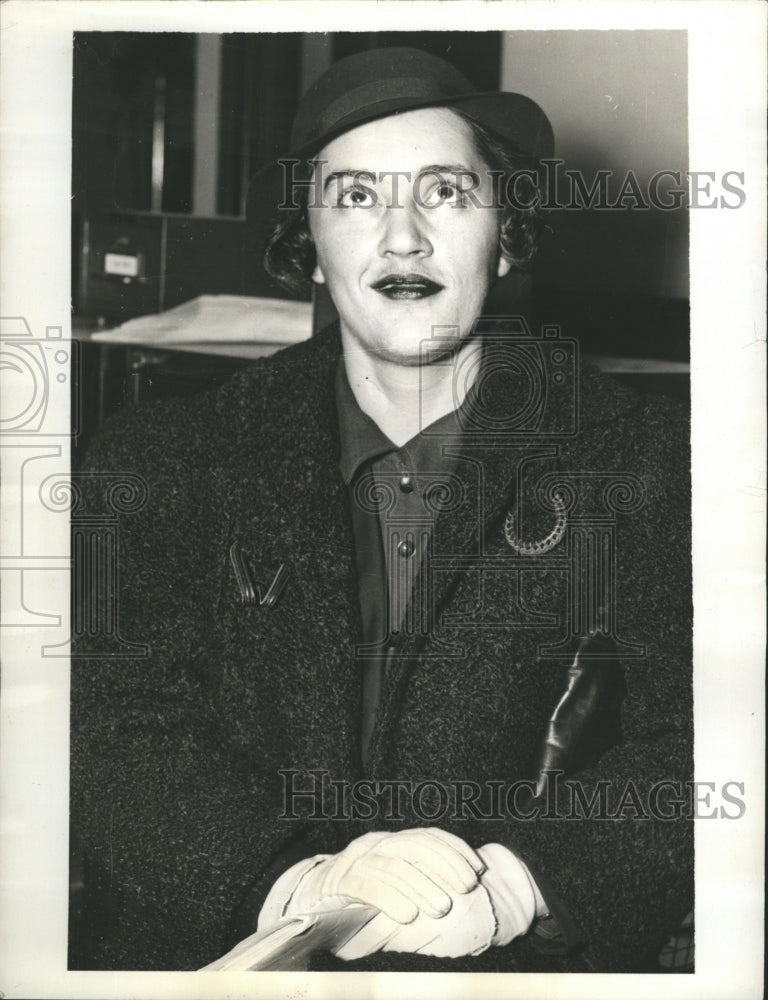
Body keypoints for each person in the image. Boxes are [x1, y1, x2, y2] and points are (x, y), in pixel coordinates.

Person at [70, 47, 692, 974]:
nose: (402, 239)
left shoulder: (650, 468)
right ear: (308, 247)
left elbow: (699, 743)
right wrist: (293, 885)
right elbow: (117, 732)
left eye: (445, 192)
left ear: (509, 234)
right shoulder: (162, 464)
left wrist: (525, 882)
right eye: (356, 197)